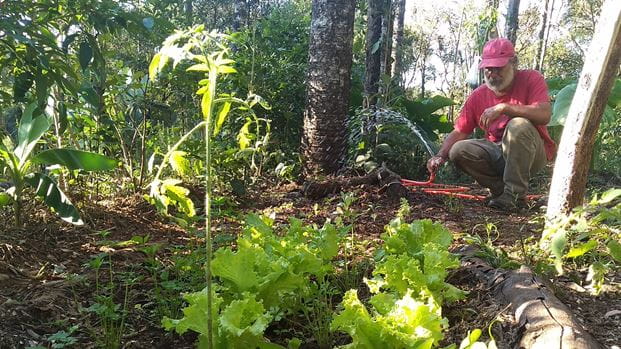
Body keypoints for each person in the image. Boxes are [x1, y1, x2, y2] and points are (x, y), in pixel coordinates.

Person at [426, 37, 556, 211]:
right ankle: (502, 192)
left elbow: (544, 114)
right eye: (488, 69)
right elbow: (459, 131)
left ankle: (515, 196)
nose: (493, 74)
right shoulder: (479, 95)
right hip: (497, 152)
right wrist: (440, 155)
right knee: (458, 149)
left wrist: (504, 108)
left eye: (499, 68)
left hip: (531, 152)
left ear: (513, 64)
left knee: (518, 125)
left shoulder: (531, 78)